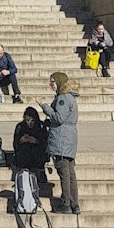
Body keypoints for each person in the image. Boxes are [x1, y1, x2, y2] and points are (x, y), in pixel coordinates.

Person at [41, 72, 80, 216]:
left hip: (62, 139)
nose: (51, 84)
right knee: (70, 174)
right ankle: (74, 204)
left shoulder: (62, 98)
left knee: (65, 173)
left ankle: (66, 204)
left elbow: (59, 117)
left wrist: (45, 107)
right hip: (68, 138)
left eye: (53, 81)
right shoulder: (69, 97)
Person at [11, 106, 49, 228]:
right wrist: (22, 140)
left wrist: (35, 141)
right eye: (27, 120)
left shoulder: (41, 127)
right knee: (25, 149)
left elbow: (44, 143)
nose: (29, 123)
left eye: (32, 121)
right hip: (24, 155)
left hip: (37, 155)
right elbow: (15, 144)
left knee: (34, 150)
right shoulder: (20, 127)